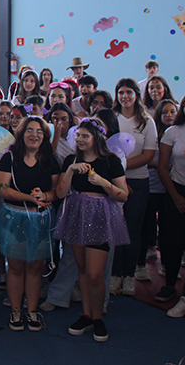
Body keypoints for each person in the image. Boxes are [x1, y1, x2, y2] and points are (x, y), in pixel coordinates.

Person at [55, 118, 129, 342]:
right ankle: (87, 314)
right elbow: (60, 193)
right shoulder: (71, 159)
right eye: (78, 135)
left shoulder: (110, 161)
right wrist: (70, 170)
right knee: (83, 269)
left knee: (96, 274)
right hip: (77, 215)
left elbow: (123, 195)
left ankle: (98, 317)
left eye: (85, 136)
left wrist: (103, 183)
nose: (80, 139)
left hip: (99, 217)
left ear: (97, 138)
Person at [0, 117, 60, 331]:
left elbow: (57, 191)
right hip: (14, 218)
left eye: (39, 131)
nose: (34, 135)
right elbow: (0, 188)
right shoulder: (9, 158)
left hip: (41, 219)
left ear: (45, 136)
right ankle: (15, 311)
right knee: (15, 267)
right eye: (30, 130)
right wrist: (29, 197)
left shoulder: (51, 160)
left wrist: (46, 195)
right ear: (22, 134)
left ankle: (32, 311)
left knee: (34, 267)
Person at [111, 78, 157, 296]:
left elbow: (148, 155)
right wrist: (116, 174)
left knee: (132, 230)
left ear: (136, 94)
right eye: (121, 92)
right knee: (114, 230)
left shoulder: (147, 121)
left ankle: (129, 275)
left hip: (137, 182)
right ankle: (114, 274)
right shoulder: (112, 118)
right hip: (113, 182)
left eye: (129, 92)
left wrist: (121, 166)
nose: (125, 96)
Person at [155, 91, 185, 306]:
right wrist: (175, 196)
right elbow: (162, 166)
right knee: (172, 241)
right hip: (176, 189)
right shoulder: (173, 132)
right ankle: (169, 285)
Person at [136, 99, 177, 282]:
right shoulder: (153, 132)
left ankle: (167, 265)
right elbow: (147, 157)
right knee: (146, 227)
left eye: (172, 112)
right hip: (152, 186)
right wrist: (163, 165)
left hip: (171, 188)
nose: (169, 115)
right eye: (165, 112)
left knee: (168, 230)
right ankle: (140, 265)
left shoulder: (179, 132)